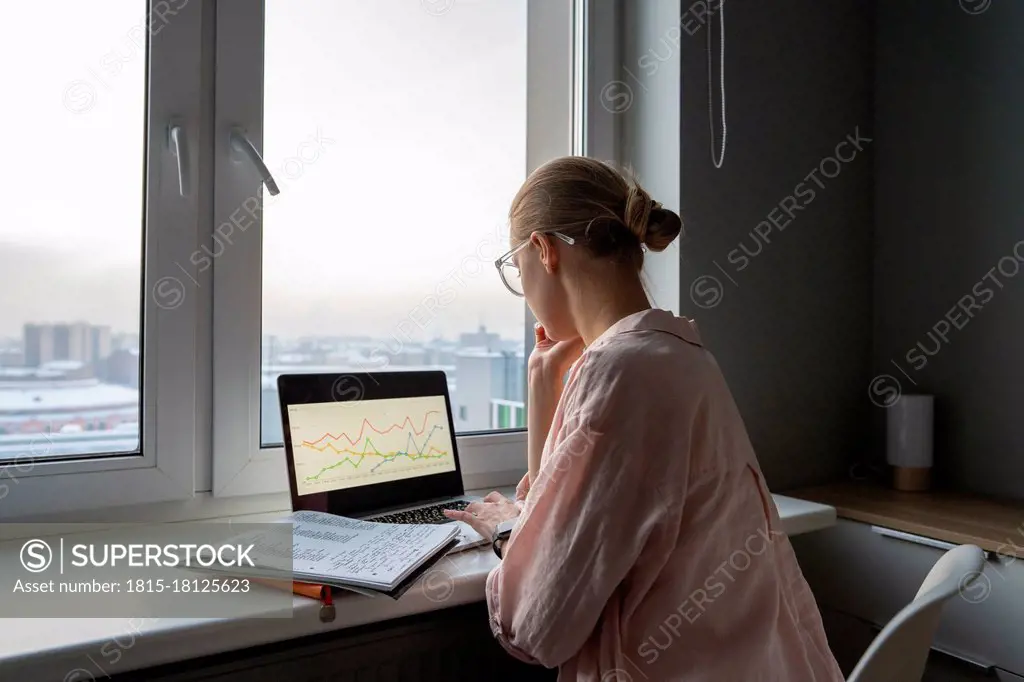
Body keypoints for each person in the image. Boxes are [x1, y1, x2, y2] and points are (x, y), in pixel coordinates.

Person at [444, 156, 844, 681]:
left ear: (543, 251)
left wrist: (506, 532)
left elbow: (536, 627)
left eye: (517, 272)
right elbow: (569, 538)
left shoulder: (619, 372)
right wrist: (545, 397)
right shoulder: (680, 352)